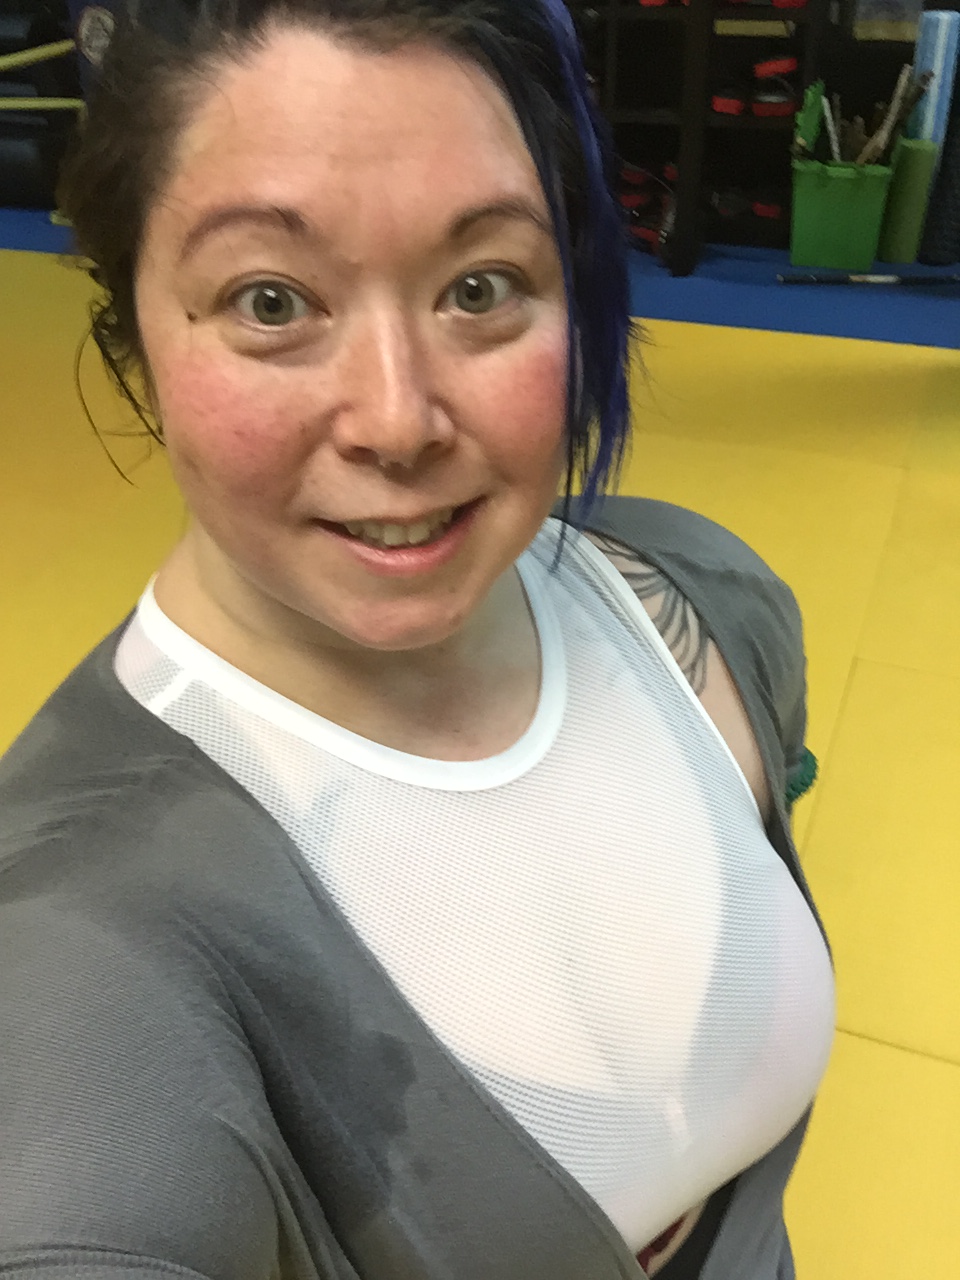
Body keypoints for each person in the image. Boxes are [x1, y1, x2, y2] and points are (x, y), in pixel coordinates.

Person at [0, 1, 835, 1277]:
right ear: (135, 335)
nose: (398, 421)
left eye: (480, 287)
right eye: (271, 300)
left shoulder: (709, 608)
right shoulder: (75, 946)